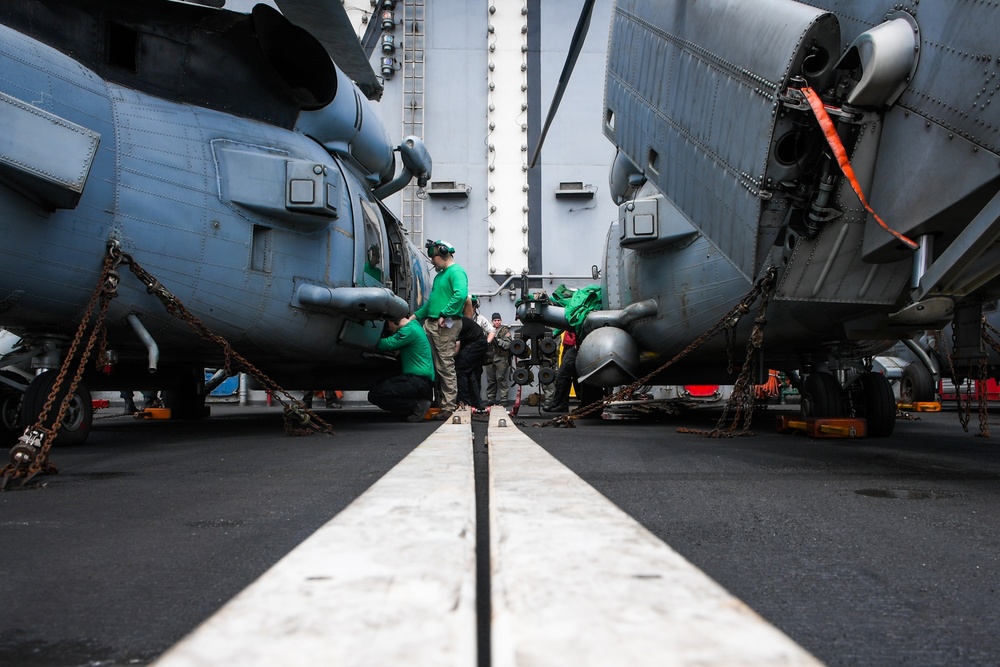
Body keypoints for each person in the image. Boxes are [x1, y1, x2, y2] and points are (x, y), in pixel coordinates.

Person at [413, 239, 469, 421]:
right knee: (435, 365)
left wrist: (445, 313)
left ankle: (449, 406)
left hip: (446, 322)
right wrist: (416, 316)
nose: (432, 261)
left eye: (433, 257)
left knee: (445, 364)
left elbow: (460, 295)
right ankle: (440, 402)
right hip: (434, 321)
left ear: (443, 253)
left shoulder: (456, 272)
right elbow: (431, 302)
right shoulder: (440, 276)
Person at [367, 314, 436, 422]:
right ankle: (414, 407)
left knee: (375, 395)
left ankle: (416, 406)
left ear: (394, 321)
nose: (387, 328)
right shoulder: (416, 327)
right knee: (383, 382)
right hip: (423, 383)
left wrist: (367, 337)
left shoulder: (408, 331)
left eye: (387, 324)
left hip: (416, 381)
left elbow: (386, 344)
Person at [455, 315, 488, 411]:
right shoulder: (458, 320)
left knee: (461, 370)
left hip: (476, 343)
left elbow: (457, 344)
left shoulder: (452, 323)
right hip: (479, 343)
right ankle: (476, 403)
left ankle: (464, 403)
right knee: (470, 372)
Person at [542, 330, 578, 413]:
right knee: (566, 376)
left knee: (567, 376)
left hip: (575, 345)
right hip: (569, 345)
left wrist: (554, 333)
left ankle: (559, 404)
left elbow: (569, 321)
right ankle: (561, 404)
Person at [485, 312, 512, 407]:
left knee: (501, 378)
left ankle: (504, 399)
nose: (497, 322)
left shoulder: (504, 331)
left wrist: (498, 341)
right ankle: (491, 398)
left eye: (498, 320)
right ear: (492, 321)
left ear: (501, 321)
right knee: (491, 380)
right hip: (489, 358)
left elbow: (508, 345)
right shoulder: (488, 330)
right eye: (495, 320)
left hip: (501, 358)